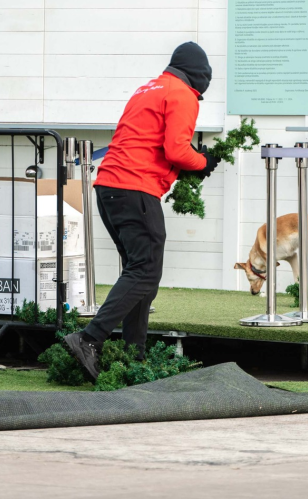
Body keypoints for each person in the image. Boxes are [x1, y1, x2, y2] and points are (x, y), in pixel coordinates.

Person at [63, 42, 220, 378]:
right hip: (135, 188)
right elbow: (176, 150)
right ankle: (89, 339)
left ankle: (135, 357)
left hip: (108, 187)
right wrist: (203, 162)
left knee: (142, 275)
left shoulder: (149, 88)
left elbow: (149, 139)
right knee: (145, 270)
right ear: (200, 77)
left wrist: (192, 158)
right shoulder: (183, 94)